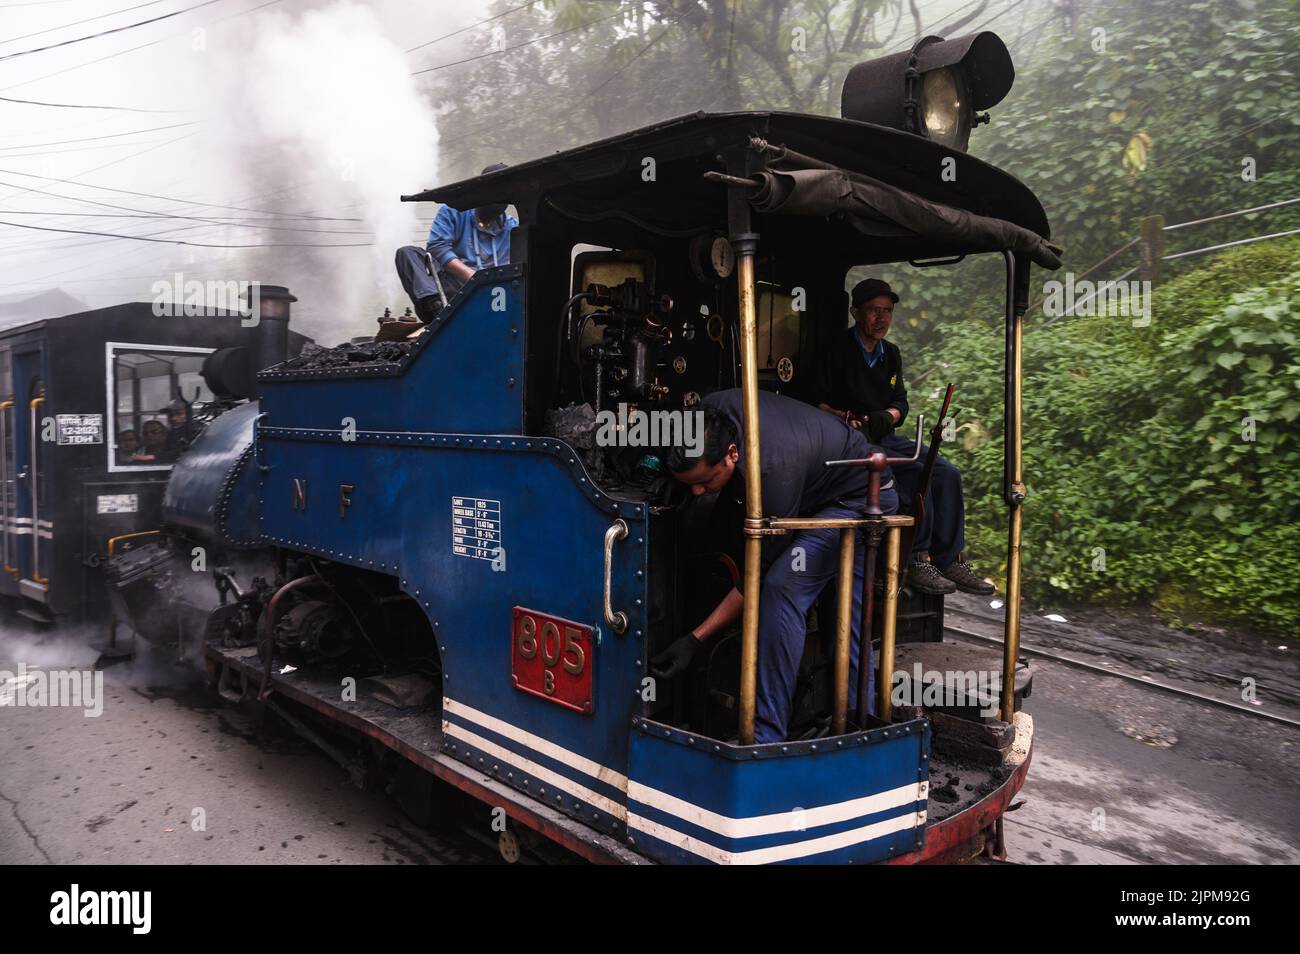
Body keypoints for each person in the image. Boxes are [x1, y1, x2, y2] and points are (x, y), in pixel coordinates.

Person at [652, 389, 899, 744]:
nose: (698, 492)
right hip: (823, 483)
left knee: (782, 588)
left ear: (733, 454)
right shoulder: (709, 413)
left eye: (705, 482)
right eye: (691, 484)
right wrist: (670, 475)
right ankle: (861, 717)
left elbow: (755, 578)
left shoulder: (773, 474)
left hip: (860, 498)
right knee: (845, 612)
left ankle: (767, 737)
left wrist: (695, 639)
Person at [815, 278, 994, 597]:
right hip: (848, 439)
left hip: (885, 436)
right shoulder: (833, 349)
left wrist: (887, 417)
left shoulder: (891, 354)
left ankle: (950, 558)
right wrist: (846, 418)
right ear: (856, 312)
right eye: (873, 310)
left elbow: (900, 402)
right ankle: (916, 559)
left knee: (946, 473)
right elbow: (815, 402)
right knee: (909, 477)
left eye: (887, 311)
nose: (881, 318)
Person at [394, 162, 517, 323]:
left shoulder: (512, 227)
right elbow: (438, 247)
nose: (497, 202)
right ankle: (437, 309)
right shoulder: (454, 211)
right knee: (407, 253)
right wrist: (472, 277)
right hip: (450, 289)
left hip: (492, 295)